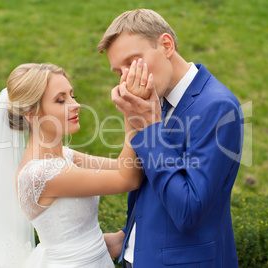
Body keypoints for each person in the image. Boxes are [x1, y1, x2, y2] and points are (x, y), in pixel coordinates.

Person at [0, 63, 152, 267]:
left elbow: (122, 166)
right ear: (32, 115)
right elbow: (127, 179)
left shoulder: (65, 156)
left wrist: (119, 240)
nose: (75, 105)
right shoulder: (41, 173)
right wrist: (132, 115)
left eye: (73, 96)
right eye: (61, 100)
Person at [98, 9, 244, 267]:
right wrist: (126, 238)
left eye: (132, 63)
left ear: (166, 45)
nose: (126, 80)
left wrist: (150, 128)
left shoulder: (218, 107)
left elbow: (188, 210)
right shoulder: (158, 101)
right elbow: (154, 192)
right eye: (118, 72)